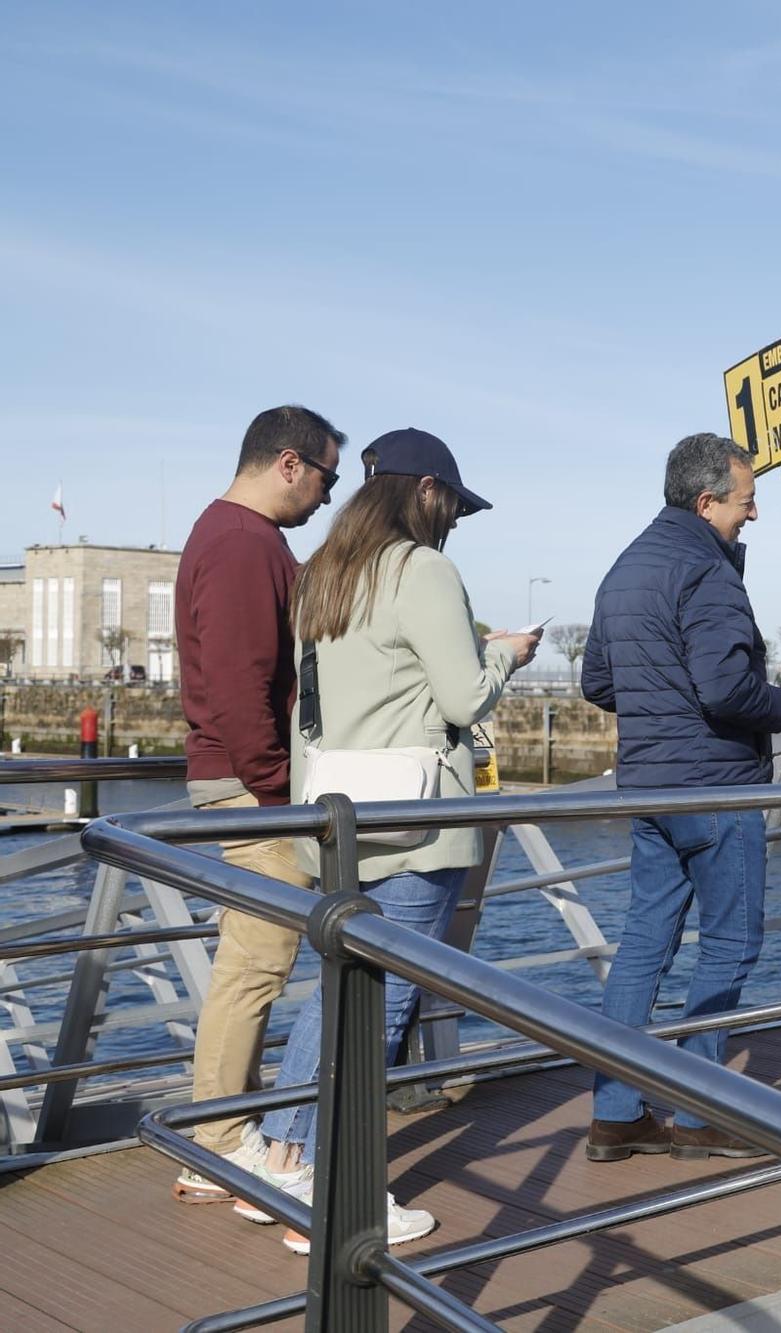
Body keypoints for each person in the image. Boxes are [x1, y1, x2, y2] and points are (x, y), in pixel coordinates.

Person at [237, 429, 539, 1253]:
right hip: (414, 822)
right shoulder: (423, 569)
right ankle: (339, 1198)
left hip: (334, 817)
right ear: (430, 493)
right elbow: (465, 695)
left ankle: (281, 1156)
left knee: (337, 993)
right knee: (382, 1005)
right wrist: (505, 655)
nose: (455, 526)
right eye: (455, 509)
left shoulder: (325, 573)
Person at [581, 433, 781, 1163]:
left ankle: (616, 1113)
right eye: (745, 504)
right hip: (715, 786)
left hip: (648, 787)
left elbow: (598, 683)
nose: (752, 518)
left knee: (645, 942)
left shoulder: (625, 567)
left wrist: (662, 708)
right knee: (732, 941)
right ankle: (701, 1108)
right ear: (707, 500)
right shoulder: (705, 570)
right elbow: (725, 688)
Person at [172, 405, 344, 1205]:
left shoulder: (232, 536)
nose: (326, 498)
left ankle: (218, 1136)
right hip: (251, 785)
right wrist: (282, 787)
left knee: (250, 959)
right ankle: (218, 1140)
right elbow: (244, 689)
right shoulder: (244, 544)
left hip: (237, 777)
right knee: (256, 962)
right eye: (326, 478)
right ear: (288, 462)